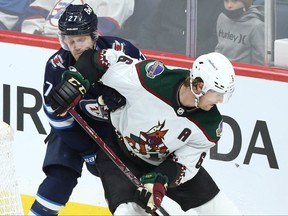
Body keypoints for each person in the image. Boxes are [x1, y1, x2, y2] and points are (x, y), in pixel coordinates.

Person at [49, 47, 242, 215]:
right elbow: (100, 60)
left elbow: (184, 163)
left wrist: (160, 181)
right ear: (199, 85)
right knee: (127, 213)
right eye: (217, 94)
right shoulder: (151, 79)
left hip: (164, 166)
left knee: (223, 210)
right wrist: (76, 81)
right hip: (120, 153)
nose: (220, 101)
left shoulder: (210, 126)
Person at [28, 3, 145, 215]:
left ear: (94, 35)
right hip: (75, 130)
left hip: (119, 132)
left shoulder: (122, 52)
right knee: (59, 176)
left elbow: (150, 95)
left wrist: (128, 98)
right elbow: (57, 118)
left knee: (127, 190)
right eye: (70, 41)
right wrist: (88, 151)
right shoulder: (57, 66)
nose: (76, 47)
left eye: (81, 39)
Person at [21, 0, 134, 36]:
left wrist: (64, 42)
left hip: (77, 57)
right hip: (40, 43)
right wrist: (33, 35)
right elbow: (36, 10)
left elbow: (106, 27)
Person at [215, 0, 265, 65]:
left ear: (245, 3)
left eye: (234, 1)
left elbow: (260, 60)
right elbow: (219, 46)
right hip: (220, 67)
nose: (229, 5)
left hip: (242, 71)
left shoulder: (257, 25)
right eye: (226, 1)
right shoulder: (222, 18)